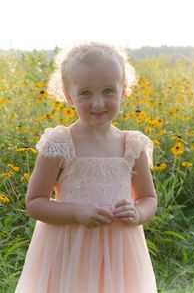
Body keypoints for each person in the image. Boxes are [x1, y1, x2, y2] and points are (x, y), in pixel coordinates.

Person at [15, 41, 158, 293]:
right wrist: (76, 212)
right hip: (69, 250)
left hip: (121, 251)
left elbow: (148, 198)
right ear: (69, 96)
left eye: (107, 91)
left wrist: (138, 213)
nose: (98, 102)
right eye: (85, 93)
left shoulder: (132, 145)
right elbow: (35, 201)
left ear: (123, 92)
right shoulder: (60, 143)